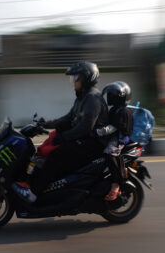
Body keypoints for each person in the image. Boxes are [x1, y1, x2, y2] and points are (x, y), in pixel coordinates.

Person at [11, 61, 109, 202]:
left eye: (76, 78)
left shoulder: (92, 98)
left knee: (56, 156)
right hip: (84, 140)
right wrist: (45, 124)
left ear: (86, 79)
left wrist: (64, 137)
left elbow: (85, 127)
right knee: (46, 147)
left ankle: (33, 193)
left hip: (93, 144)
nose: (73, 82)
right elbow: (68, 118)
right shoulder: (82, 97)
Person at [97, 81, 133, 201]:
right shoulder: (114, 110)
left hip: (120, 138)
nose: (109, 97)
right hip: (113, 136)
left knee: (110, 152)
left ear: (120, 97)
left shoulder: (123, 112)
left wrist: (98, 132)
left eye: (112, 95)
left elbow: (114, 127)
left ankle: (117, 183)